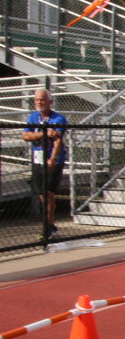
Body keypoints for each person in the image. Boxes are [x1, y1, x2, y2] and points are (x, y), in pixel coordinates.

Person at [22, 88, 67, 240]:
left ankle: (48, 225)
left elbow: (58, 141)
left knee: (48, 192)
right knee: (42, 194)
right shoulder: (33, 117)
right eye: (37, 100)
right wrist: (44, 133)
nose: (39, 102)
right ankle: (49, 224)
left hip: (52, 160)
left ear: (49, 101)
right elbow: (25, 135)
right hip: (37, 159)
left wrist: (53, 159)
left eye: (42, 99)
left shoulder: (58, 119)